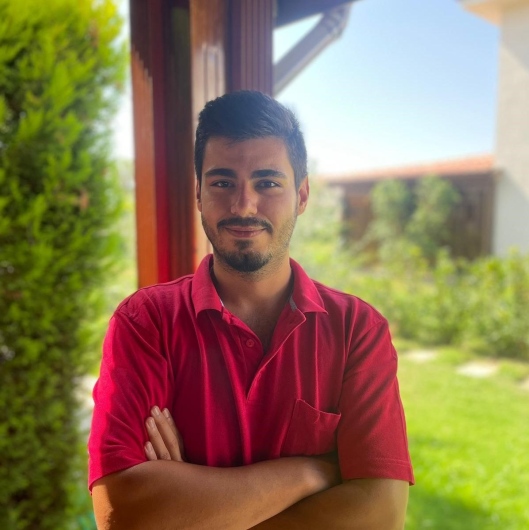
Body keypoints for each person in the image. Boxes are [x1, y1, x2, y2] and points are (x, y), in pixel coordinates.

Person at [89, 90, 414, 529]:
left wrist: (194, 512)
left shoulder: (357, 329)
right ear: (199, 194)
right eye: (222, 183)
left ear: (301, 195)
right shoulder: (145, 322)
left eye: (267, 183)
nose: (244, 205)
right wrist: (313, 472)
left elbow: (381, 515)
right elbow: (122, 514)